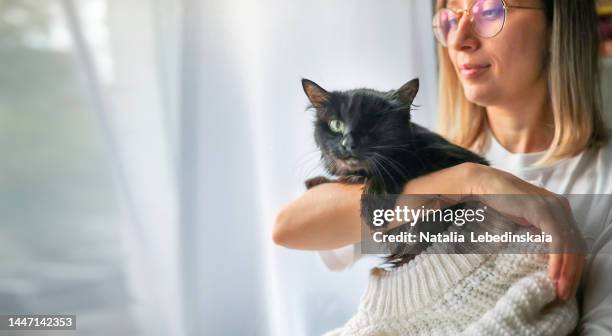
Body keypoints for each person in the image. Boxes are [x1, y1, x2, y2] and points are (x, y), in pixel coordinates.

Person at [273, 0, 612, 333]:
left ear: (558, 25)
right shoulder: (409, 152)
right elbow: (289, 228)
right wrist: (472, 179)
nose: (459, 37)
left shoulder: (603, 178)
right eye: (450, 17)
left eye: (490, 11)